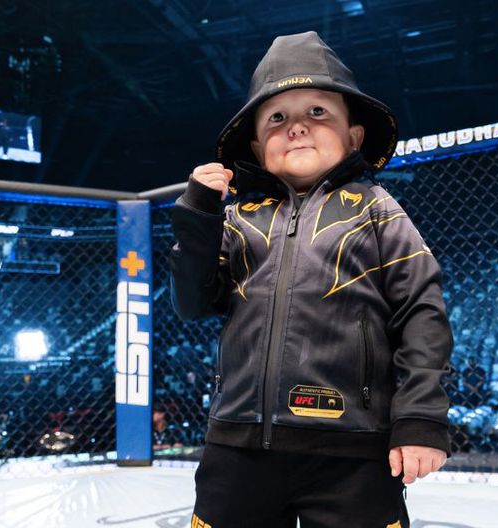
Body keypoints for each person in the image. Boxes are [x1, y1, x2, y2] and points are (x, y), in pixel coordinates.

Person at [170, 31, 453, 527]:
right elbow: (191, 303)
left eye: (318, 111)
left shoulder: (377, 209)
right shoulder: (236, 218)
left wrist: (420, 417)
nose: (297, 126)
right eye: (277, 118)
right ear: (257, 146)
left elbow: (422, 312)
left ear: (354, 136)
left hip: (353, 448)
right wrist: (198, 217)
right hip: (237, 444)